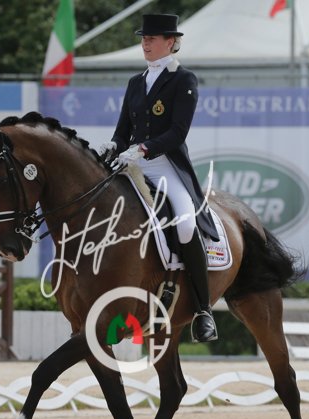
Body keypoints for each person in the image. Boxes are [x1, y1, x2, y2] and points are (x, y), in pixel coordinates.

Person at [98, 13, 220, 343]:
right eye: (143, 38)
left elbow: (178, 132)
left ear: (171, 42)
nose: (145, 44)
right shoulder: (135, 83)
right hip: (131, 163)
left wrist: (143, 149)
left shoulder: (184, 80)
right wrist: (114, 145)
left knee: (185, 224)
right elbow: (123, 130)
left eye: (151, 39)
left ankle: (203, 310)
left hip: (165, 165)